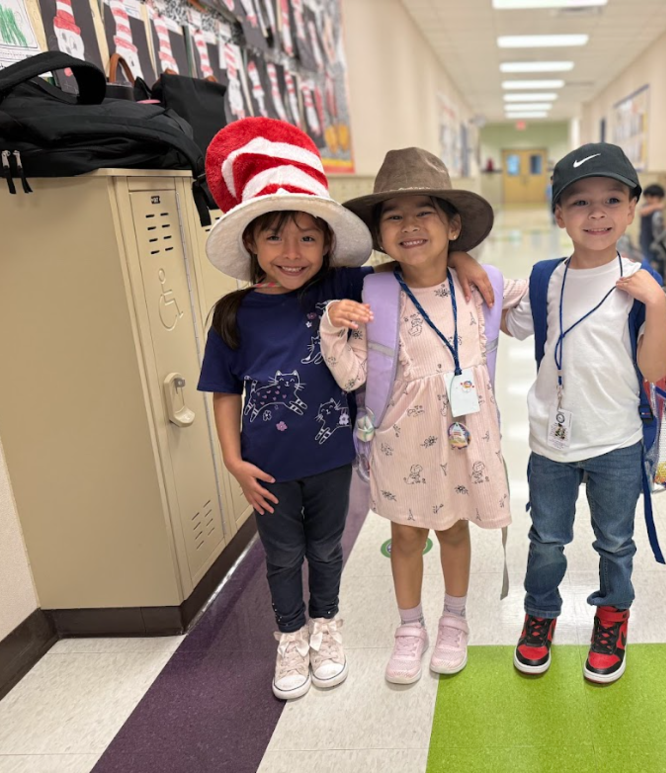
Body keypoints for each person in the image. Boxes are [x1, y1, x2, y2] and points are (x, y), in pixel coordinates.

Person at [197, 121, 489, 701]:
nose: (292, 253)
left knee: (326, 548)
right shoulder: (233, 312)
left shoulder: (347, 282)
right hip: (268, 463)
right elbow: (224, 391)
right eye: (275, 238)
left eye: (308, 239)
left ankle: (327, 627)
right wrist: (232, 461)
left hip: (333, 458)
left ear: (328, 246)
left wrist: (464, 261)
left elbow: (412, 265)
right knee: (281, 555)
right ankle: (290, 636)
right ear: (251, 245)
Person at [319, 148, 525, 684]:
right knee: (408, 536)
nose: (409, 226)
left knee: (456, 530)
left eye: (424, 213)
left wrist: (469, 263)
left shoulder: (484, 288)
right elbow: (350, 376)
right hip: (402, 444)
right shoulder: (372, 292)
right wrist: (330, 327)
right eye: (393, 216)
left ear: (453, 225)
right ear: (380, 234)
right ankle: (409, 627)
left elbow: (546, 306)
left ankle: (454, 619)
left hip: (466, 443)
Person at [503, 142, 666, 684]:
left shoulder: (641, 283)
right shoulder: (544, 278)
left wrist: (658, 305)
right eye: (579, 202)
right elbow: (509, 323)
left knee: (616, 541)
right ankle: (540, 615)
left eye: (611, 200)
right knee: (547, 538)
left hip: (617, 440)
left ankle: (611, 616)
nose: (596, 213)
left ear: (631, 208)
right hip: (549, 443)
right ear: (558, 214)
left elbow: (653, 369)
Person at [638, 183, 666, 274]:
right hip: (647, 239)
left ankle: (661, 283)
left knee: (661, 260)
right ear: (649, 197)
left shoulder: (656, 210)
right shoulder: (646, 207)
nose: (659, 201)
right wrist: (656, 206)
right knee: (649, 260)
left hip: (657, 239)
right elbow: (642, 212)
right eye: (658, 198)